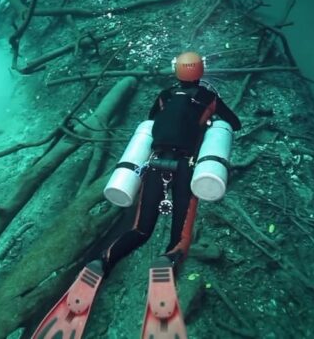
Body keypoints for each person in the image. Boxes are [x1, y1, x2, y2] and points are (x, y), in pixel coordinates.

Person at [94, 51, 242, 275]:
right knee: (180, 237)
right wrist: (210, 125)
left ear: (177, 71)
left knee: (141, 230)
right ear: (200, 70)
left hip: (154, 165)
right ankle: (169, 260)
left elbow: (152, 121)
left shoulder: (165, 95)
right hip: (186, 167)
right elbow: (235, 124)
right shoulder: (208, 98)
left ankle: (103, 261)